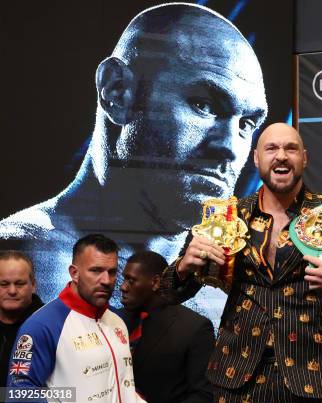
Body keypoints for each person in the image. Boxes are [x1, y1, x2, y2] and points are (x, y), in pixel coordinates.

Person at [0, 3, 268, 311]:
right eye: (203, 105)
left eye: (247, 124)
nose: (231, 148)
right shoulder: (21, 259)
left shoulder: (218, 299)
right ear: (116, 92)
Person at [161, 123, 322, 403]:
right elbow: (167, 292)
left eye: (291, 148)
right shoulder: (226, 217)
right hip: (237, 382)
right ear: (256, 158)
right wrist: (182, 268)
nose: (281, 156)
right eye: (271, 148)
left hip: (315, 385)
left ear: (304, 158)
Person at [6, 234, 148, 403]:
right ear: (74, 273)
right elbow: (17, 397)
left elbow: (122, 386)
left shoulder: (117, 321)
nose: (106, 281)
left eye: (111, 272)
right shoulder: (41, 325)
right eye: (96, 271)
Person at [119, 250, 214, 403]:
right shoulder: (114, 320)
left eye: (131, 280)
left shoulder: (195, 328)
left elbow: (203, 396)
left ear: (156, 282)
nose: (123, 287)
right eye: (124, 279)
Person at [0, 251, 43, 391]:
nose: (12, 291)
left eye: (19, 284)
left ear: (33, 285)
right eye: (4, 284)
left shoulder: (50, 325)